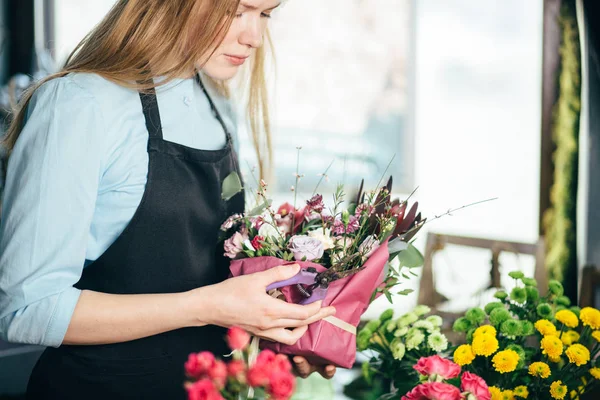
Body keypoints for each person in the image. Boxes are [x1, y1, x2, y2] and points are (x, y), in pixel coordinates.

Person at [0, 1, 337, 398]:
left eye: (264, 14)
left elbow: (209, 282)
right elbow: (27, 310)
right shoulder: (80, 102)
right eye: (237, 11)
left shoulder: (218, 105)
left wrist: (281, 333)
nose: (254, 38)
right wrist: (207, 306)